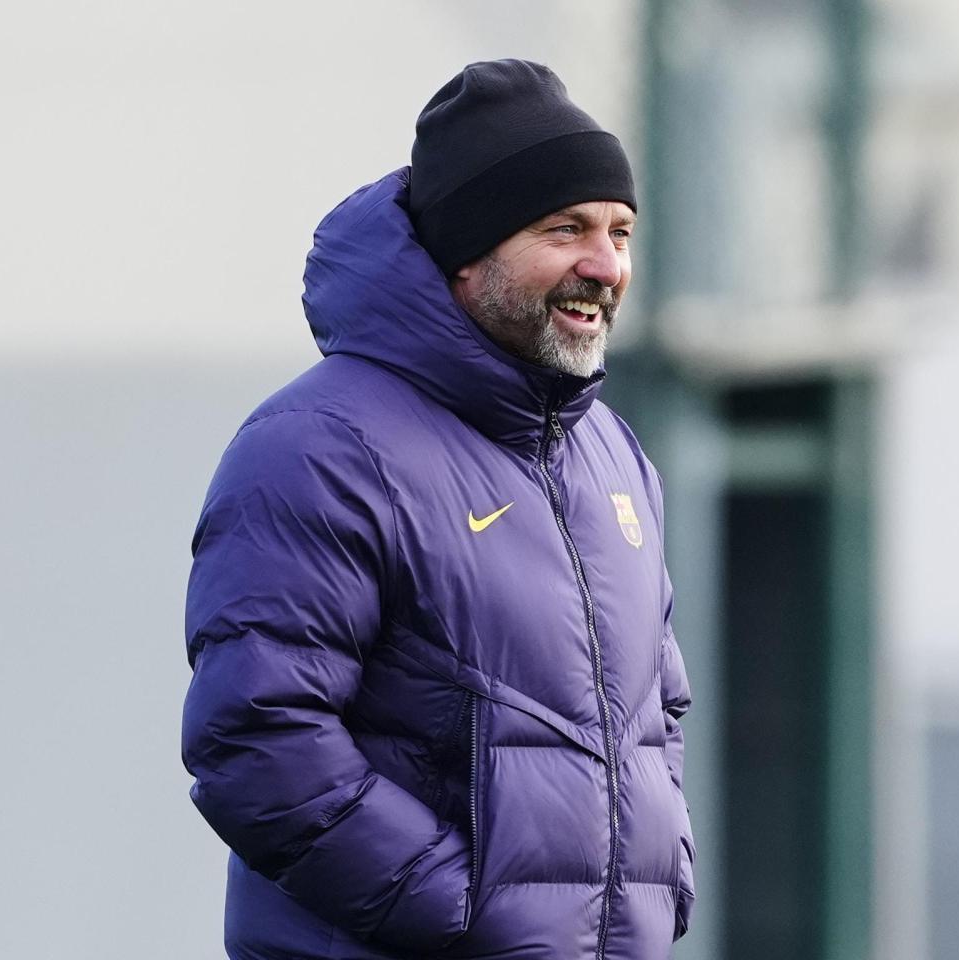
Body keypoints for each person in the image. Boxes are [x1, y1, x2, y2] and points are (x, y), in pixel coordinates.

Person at [181, 59, 695, 960]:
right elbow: (258, 739)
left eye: (620, 230)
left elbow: (658, 711)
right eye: (564, 228)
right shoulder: (319, 447)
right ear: (468, 253)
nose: (605, 265)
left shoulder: (610, 450)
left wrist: (664, 876)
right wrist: (466, 916)